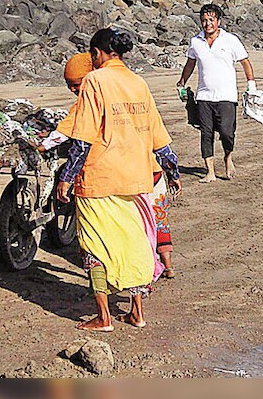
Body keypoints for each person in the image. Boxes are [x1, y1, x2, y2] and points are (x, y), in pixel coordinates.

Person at [56, 28, 181, 331]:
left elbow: (83, 138)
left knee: (95, 247)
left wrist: (66, 177)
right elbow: (158, 136)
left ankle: (103, 317)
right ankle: (136, 311)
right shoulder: (138, 82)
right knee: (134, 245)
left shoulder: (95, 81)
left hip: (100, 179)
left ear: (97, 54)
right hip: (137, 178)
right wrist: (173, 170)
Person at [45, 53, 177, 280]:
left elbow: (71, 138)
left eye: (76, 85)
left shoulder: (89, 99)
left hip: (123, 176)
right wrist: (172, 170)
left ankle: (136, 278)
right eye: (70, 87)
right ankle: (163, 268)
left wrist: (46, 152)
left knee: (126, 233)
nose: (74, 91)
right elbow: (159, 137)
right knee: (154, 221)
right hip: (147, 171)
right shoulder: (135, 88)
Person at [177, 4, 256, 182]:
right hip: (204, 96)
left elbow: (245, 62)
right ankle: (210, 172)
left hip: (227, 96)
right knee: (206, 134)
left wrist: (251, 84)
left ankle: (228, 157)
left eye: (211, 20)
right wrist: (182, 82)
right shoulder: (196, 41)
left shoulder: (231, 40)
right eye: (204, 20)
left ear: (218, 21)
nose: (207, 24)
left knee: (227, 133)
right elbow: (190, 64)